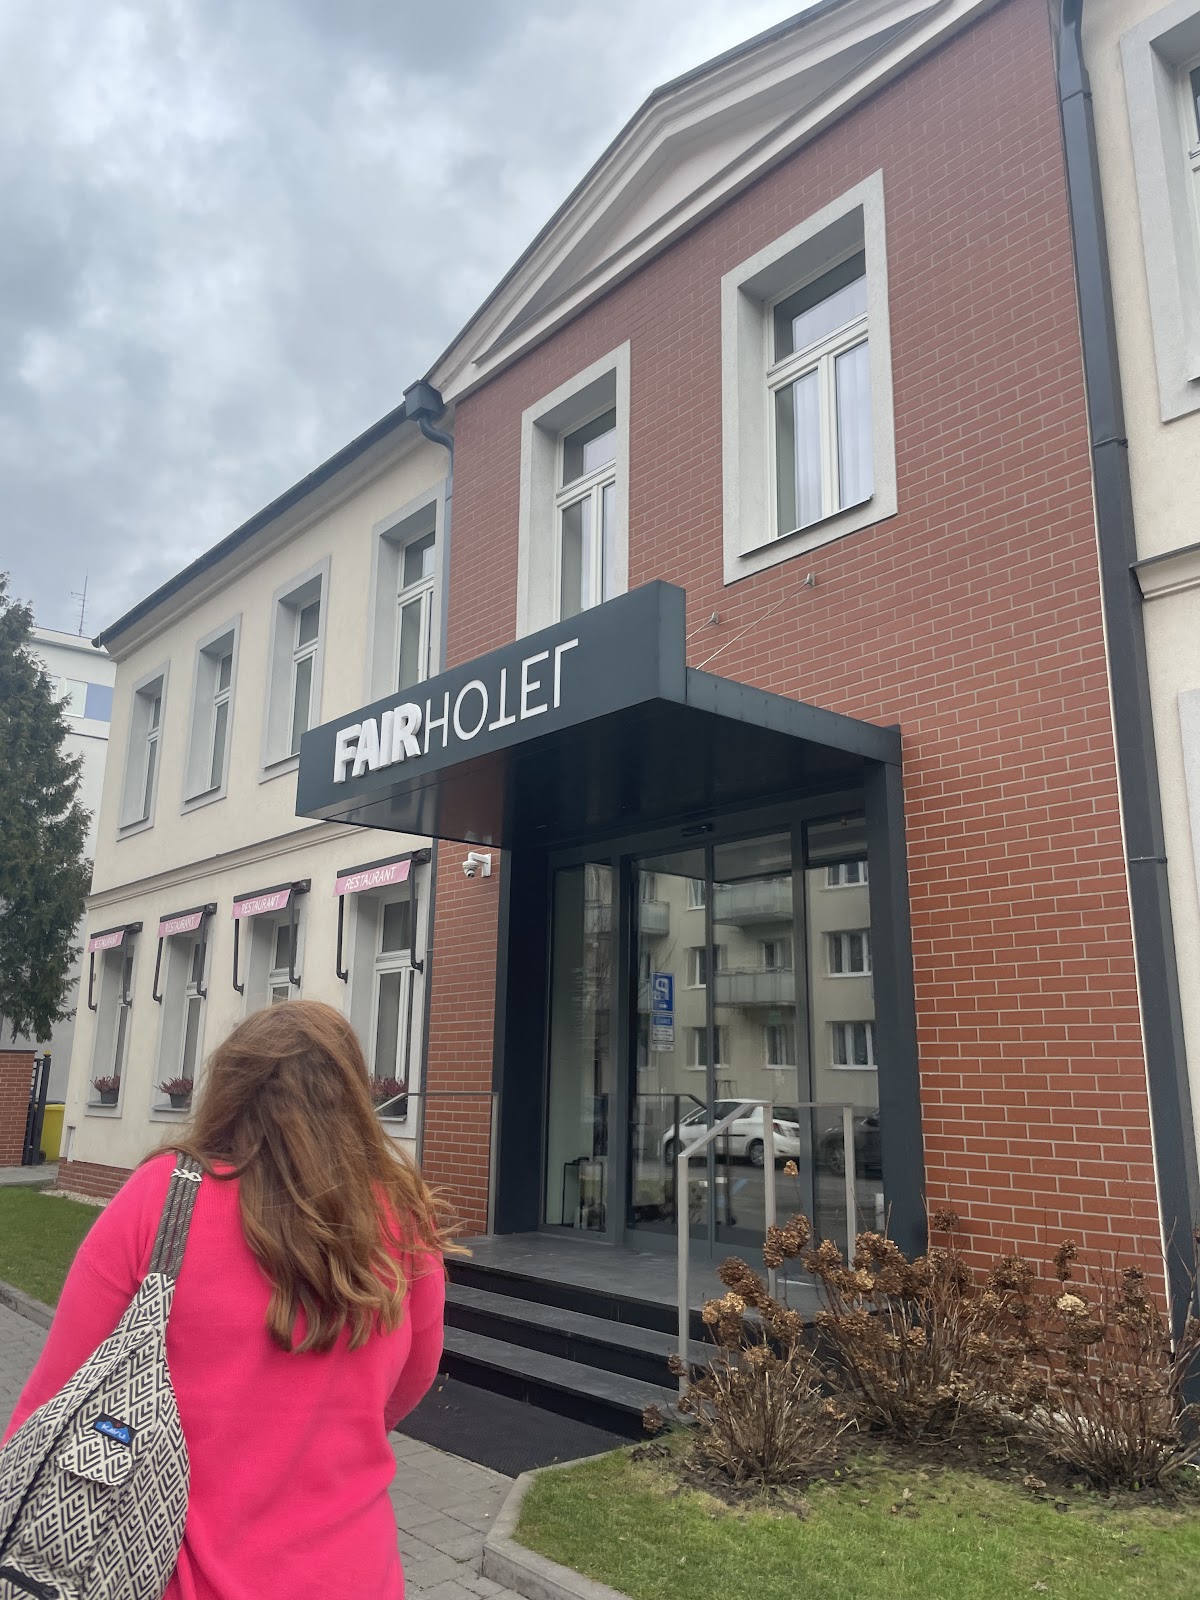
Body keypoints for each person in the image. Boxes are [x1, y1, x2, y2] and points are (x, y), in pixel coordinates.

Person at [3, 1000, 451, 1599]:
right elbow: (411, 1383)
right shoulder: (405, 1221)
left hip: (170, 1574)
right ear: (351, 1094)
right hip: (357, 1575)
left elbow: (53, 1401)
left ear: (231, 1087)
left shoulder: (161, 1199)